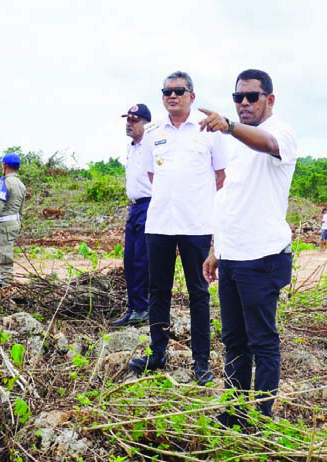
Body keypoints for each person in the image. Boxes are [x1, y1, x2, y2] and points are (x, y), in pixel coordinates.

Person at [200, 69, 297, 422]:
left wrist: (228, 126)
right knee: (235, 340)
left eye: (251, 97)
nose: (243, 103)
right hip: (233, 257)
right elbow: (230, 201)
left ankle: (260, 415)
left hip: (263, 257)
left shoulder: (280, 133)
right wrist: (215, 249)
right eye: (238, 97)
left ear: (269, 100)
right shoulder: (236, 145)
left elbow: (268, 145)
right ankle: (234, 410)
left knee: (262, 341)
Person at [128, 71, 227, 386]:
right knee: (158, 291)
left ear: (192, 96)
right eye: (167, 91)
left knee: (198, 293)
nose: (172, 95)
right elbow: (153, 177)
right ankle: (157, 354)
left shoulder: (209, 132)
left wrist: (203, 210)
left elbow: (221, 177)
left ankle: (201, 362)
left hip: (196, 224)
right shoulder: (154, 133)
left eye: (179, 91)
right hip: (159, 224)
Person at [112, 104, 153, 327]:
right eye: (127, 119)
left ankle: (143, 307)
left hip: (149, 205)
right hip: (134, 206)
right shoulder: (132, 148)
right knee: (129, 259)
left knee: (142, 259)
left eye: (134, 120)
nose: (129, 123)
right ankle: (133, 307)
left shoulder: (151, 147)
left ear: (146, 123)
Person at [0, 154, 27, 291]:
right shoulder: (21, 184)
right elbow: (22, 208)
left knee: (5, 256)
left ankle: (6, 287)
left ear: (5, 166)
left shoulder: (5, 182)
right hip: (12, 222)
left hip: (5, 224)